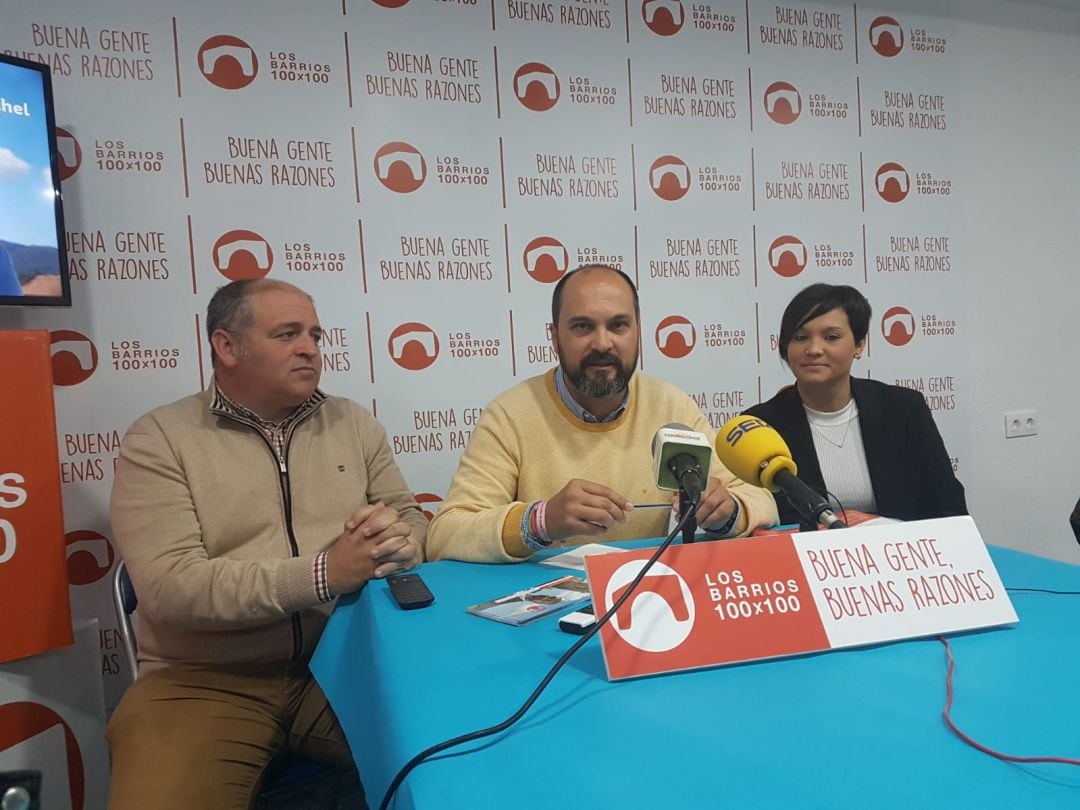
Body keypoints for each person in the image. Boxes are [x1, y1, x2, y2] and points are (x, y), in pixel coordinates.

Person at [107, 279, 428, 809]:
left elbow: (412, 520)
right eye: (287, 334)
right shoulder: (160, 439)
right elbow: (170, 587)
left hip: (343, 662)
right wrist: (325, 573)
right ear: (226, 346)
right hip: (202, 682)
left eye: (315, 334)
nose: (310, 348)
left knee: (469, 749)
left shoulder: (352, 422)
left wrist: (397, 542)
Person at [427, 264, 777, 562]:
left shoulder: (673, 405)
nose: (602, 344)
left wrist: (727, 512)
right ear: (554, 337)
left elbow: (761, 501)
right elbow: (446, 534)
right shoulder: (510, 415)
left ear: (638, 332)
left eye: (618, 325)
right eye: (582, 327)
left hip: (651, 601)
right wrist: (542, 521)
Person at [745, 283, 966, 525]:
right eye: (800, 337)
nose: (814, 349)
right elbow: (760, 523)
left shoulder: (903, 409)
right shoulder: (760, 427)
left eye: (831, 337)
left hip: (900, 555)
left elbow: (948, 507)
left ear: (859, 344)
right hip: (802, 558)